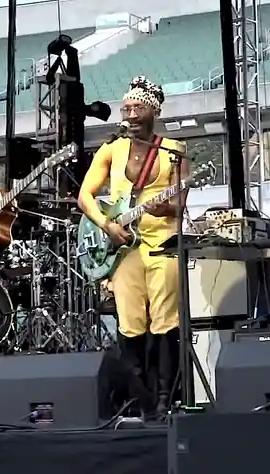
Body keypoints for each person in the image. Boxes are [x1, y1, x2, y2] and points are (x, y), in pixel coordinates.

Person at [78, 76, 187, 416]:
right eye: (126, 108)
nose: (130, 113)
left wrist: (165, 207)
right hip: (124, 246)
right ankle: (138, 398)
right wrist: (106, 225)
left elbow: (180, 203)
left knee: (165, 320)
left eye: (137, 107)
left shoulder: (173, 150)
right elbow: (85, 196)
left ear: (153, 111)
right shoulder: (111, 149)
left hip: (162, 242)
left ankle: (165, 396)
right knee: (130, 322)